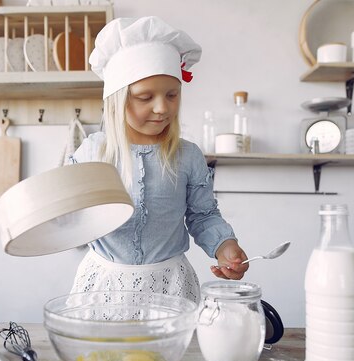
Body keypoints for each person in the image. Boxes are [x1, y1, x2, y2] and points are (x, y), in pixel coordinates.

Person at [69, 16, 248, 303]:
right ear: (118, 99)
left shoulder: (188, 156)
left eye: (172, 94)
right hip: (104, 288)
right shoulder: (93, 153)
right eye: (145, 97)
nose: (162, 108)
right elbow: (69, 213)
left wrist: (224, 245)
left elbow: (203, 215)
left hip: (170, 286)